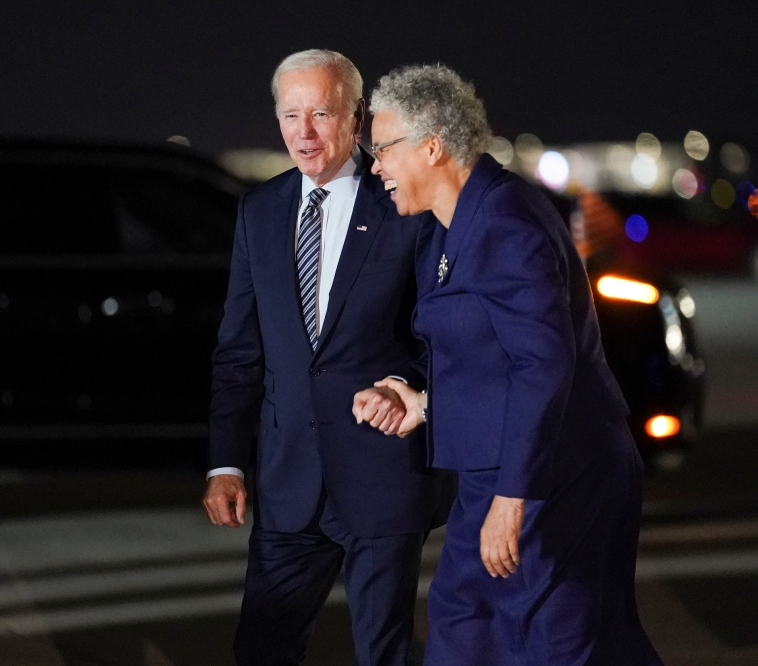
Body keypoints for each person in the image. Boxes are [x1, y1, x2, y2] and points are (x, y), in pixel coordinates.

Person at [353, 64, 662, 665]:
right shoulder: (450, 226)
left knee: (565, 646)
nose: (376, 166)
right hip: (495, 473)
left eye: (384, 149)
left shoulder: (505, 223)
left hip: (554, 478)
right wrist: (417, 395)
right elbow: (474, 348)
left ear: (432, 146)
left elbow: (543, 365)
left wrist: (514, 497)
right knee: (464, 630)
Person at [203, 50, 448, 666]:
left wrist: (405, 385)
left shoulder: (404, 204)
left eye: (320, 113)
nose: (303, 133)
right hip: (289, 484)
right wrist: (226, 463)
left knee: (382, 654)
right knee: (261, 648)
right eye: (290, 115)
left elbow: (441, 333)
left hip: (382, 474)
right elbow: (239, 351)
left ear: (357, 117)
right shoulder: (259, 211)